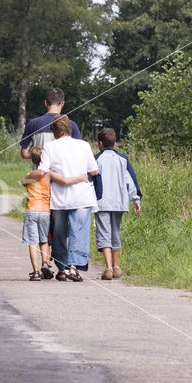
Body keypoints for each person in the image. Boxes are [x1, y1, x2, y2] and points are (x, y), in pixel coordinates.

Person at [26, 115, 99, 282]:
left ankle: (62, 268)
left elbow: (42, 170)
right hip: (81, 197)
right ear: (70, 129)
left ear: (53, 131)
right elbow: (94, 171)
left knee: (59, 233)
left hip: (59, 200)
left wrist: (27, 180)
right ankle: (73, 268)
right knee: (78, 232)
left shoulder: (49, 147)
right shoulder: (84, 145)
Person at [22, 146, 89, 281]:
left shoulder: (29, 176)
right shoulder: (49, 174)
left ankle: (35, 272)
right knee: (44, 240)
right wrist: (80, 178)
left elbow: (23, 183)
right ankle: (45, 263)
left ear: (34, 160)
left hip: (31, 211)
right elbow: (64, 181)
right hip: (46, 212)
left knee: (32, 242)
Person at [92, 128, 142, 280]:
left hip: (102, 202)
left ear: (100, 143)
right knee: (115, 232)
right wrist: (136, 199)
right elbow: (131, 181)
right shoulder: (123, 159)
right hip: (119, 202)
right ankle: (117, 266)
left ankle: (108, 268)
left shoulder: (96, 159)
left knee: (104, 233)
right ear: (114, 143)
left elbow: (91, 180)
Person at [20, 87, 81, 160]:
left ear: (45, 103)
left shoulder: (33, 124)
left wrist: (38, 152)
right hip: (63, 171)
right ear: (62, 103)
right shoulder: (72, 125)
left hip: (39, 171)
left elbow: (24, 154)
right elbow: (79, 152)